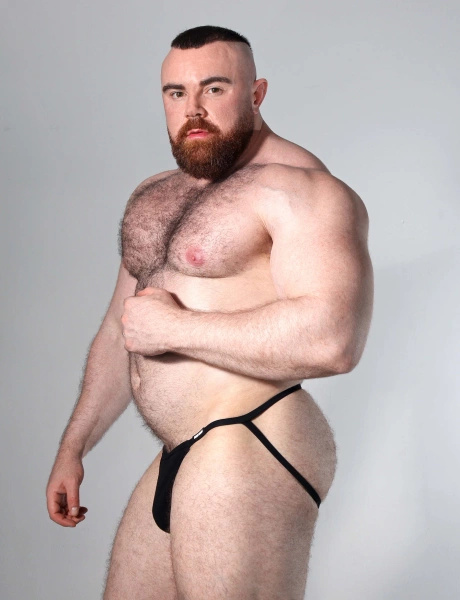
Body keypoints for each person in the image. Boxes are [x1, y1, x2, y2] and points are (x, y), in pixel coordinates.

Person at [46, 24, 374, 600]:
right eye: (177, 93)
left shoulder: (303, 190)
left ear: (257, 93)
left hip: (251, 437)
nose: (193, 109)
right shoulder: (155, 194)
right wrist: (74, 446)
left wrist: (178, 328)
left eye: (214, 89)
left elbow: (334, 340)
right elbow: (121, 329)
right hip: (182, 449)